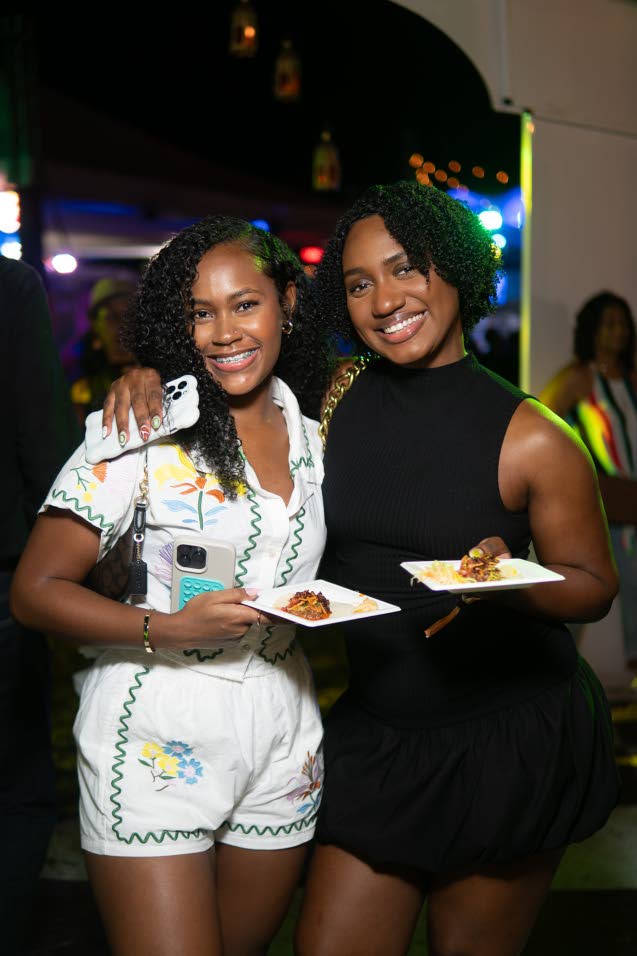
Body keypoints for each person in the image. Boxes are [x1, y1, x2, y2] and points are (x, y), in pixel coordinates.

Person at [98, 183, 620, 956]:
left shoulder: (532, 434)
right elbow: (229, 366)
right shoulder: (336, 394)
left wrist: (508, 581)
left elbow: (594, 586)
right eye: (358, 283)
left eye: (406, 269)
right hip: (376, 732)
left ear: (455, 270)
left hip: (504, 738)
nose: (384, 300)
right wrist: (146, 375)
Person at [11, 216, 330, 956]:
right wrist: (169, 628)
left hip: (285, 729)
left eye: (244, 304)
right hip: (154, 730)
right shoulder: (141, 426)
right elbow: (35, 590)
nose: (224, 333)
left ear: (286, 301)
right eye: (199, 313)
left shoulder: (319, 433)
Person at [0, 256, 80, 955]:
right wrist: (58, 568)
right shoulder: (8, 287)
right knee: (17, 783)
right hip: (2, 573)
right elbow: (42, 439)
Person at [540, 292, 637, 669]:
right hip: (602, 504)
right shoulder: (579, 378)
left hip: (632, 500)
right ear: (592, 330)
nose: (618, 331)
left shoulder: (631, 377)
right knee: (585, 592)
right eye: (609, 323)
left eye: (623, 323)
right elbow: (540, 424)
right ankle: (555, 675)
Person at [70, 277, 137, 424]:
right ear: (95, 324)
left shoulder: (163, 373)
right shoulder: (80, 387)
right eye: (112, 317)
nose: (123, 325)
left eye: (130, 315)